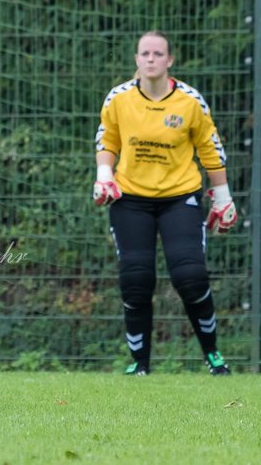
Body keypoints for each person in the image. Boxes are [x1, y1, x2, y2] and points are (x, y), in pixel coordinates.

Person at [93, 30, 237, 376]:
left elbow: (210, 149)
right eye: (146, 54)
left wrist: (223, 196)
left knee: (190, 275)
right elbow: (107, 138)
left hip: (179, 197)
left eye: (159, 54)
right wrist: (103, 174)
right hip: (130, 199)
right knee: (136, 278)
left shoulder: (189, 101)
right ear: (137, 60)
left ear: (170, 60)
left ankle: (214, 358)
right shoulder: (119, 98)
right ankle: (139, 365)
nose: (152, 59)